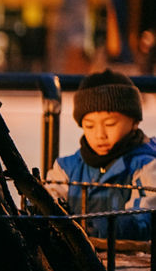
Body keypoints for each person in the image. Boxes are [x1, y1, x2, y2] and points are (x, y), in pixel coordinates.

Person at [45, 69, 156, 239]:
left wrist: (97, 227)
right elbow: (47, 205)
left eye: (110, 124)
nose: (100, 134)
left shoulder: (146, 167)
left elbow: (143, 222)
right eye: (89, 126)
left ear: (134, 122)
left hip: (127, 263)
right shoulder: (66, 169)